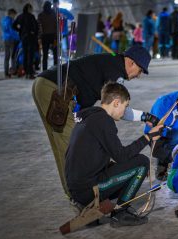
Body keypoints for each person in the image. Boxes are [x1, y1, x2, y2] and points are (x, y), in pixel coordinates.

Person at [32, 45, 158, 197]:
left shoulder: (111, 64)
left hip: (49, 85)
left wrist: (145, 117)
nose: (138, 75)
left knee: (72, 143)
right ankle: (78, 199)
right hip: (55, 90)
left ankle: (82, 193)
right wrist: (145, 118)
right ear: (131, 62)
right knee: (70, 147)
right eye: (140, 70)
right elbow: (117, 108)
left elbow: (115, 107)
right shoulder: (115, 72)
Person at [65, 82, 163, 227]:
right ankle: (120, 213)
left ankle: (90, 207)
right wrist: (148, 137)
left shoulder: (90, 116)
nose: (125, 111)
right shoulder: (103, 121)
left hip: (76, 188)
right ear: (116, 103)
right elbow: (121, 156)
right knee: (141, 163)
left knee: (127, 168)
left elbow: (96, 157)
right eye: (125, 106)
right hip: (87, 190)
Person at [12, 3, 39, 79]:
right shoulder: (31, 16)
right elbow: (36, 27)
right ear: (28, 8)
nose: (32, 10)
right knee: (30, 55)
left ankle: (26, 72)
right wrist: (34, 34)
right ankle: (30, 73)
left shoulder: (20, 16)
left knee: (25, 55)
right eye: (31, 9)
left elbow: (13, 25)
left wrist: (20, 30)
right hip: (31, 38)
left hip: (23, 38)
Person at [37, 1, 57, 71]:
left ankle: (45, 71)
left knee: (45, 55)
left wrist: (39, 37)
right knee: (55, 54)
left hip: (44, 37)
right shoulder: (54, 14)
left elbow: (39, 27)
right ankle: (55, 70)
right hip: (54, 37)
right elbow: (56, 26)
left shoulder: (40, 15)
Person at [1, 8, 19, 78]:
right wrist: (18, 38)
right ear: (11, 14)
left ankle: (6, 73)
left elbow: (5, 30)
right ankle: (13, 71)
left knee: (6, 56)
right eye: (14, 15)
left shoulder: (3, 20)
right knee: (13, 56)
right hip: (11, 39)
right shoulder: (11, 21)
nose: (14, 16)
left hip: (5, 39)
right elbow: (12, 31)